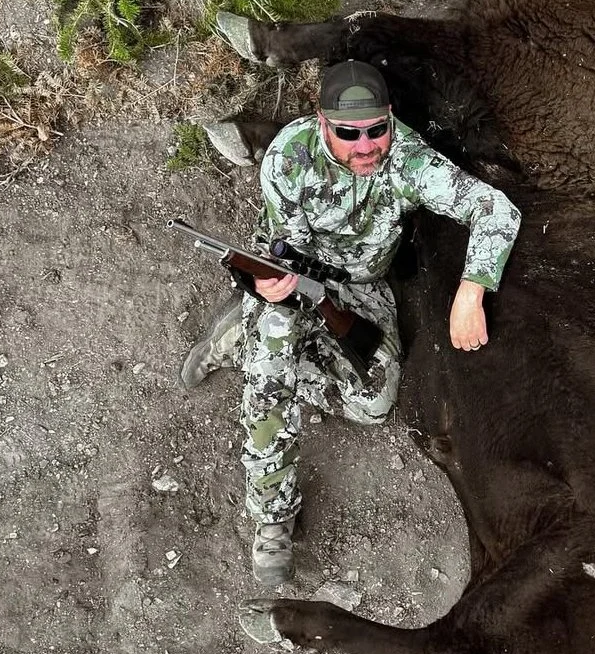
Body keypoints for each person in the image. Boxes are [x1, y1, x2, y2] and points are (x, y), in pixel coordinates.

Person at [181, 59, 521, 586]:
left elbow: (496, 211)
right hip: (297, 281)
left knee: (375, 403)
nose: (365, 147)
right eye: (347, 134)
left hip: (363, 290)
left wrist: (471, 292)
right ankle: (273, 515)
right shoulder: (289, 157)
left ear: (389, 119)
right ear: (322, 124)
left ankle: (239, 345)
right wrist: (271, 288)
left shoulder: (408, 161)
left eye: (375, 131)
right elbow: (279, 249)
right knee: (272, 374)